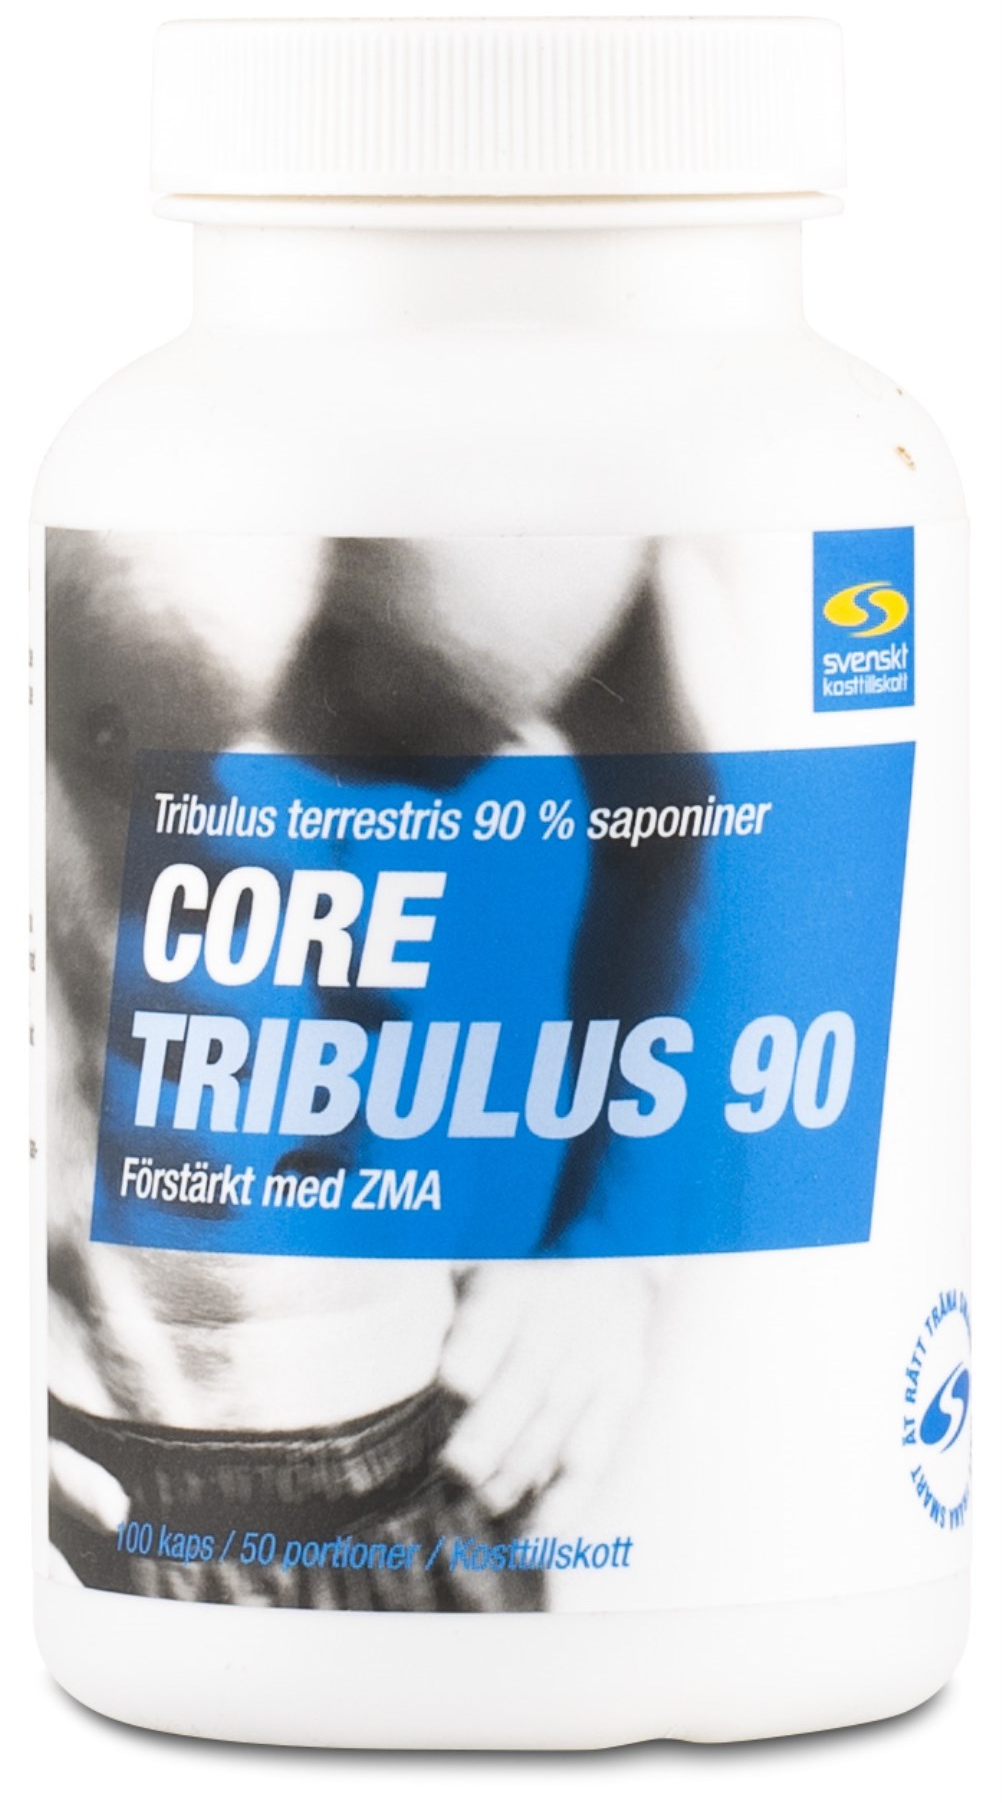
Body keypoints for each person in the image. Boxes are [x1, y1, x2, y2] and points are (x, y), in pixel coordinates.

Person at [45, 531, 705, 1610]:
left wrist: (619, 1248)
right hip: (92, 1479)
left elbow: (713, 809)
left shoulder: (588, 467)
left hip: (428, 1468)